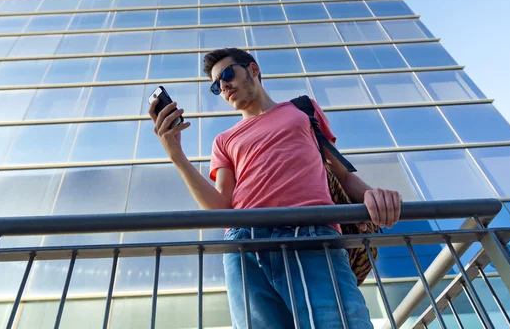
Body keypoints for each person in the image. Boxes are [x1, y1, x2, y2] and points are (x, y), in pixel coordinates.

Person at [149, 47, 402, 329]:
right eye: (216, 85)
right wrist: (176, 155)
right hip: (245, 244)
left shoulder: (303, 110)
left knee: (341, 323)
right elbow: (221, 207)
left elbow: (342, 174)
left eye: (227, 74)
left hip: (312, 234)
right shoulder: (224, 140)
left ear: (253, 70)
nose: (223, 86)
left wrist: (370, 194)